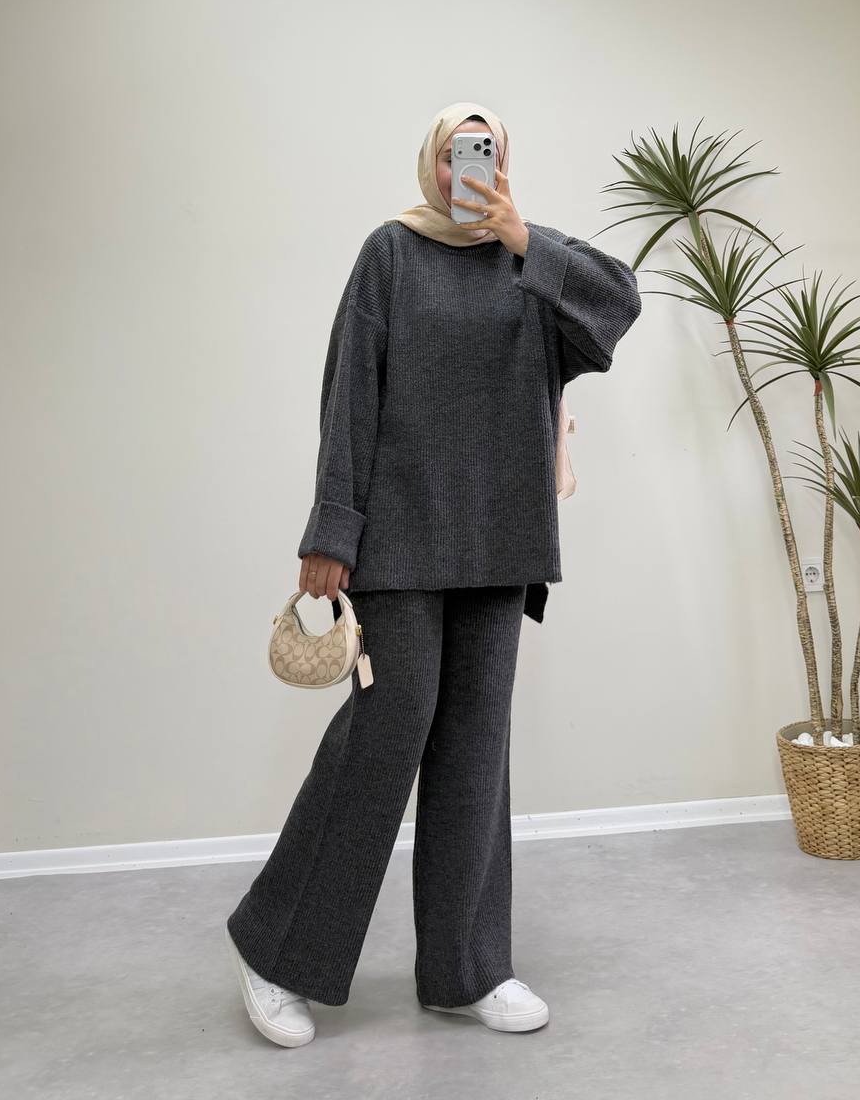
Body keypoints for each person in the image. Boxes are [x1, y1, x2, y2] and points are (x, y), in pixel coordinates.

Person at [225, 101, 643, 1048]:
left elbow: (619, 307)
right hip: (401, 540)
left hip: (502, 542)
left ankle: (467, 969)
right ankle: (275, 950)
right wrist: (333, 530)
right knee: (389, 732)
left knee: (476, 749)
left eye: (486, 151)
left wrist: (524, 237)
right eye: (458, 151)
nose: (470, 166)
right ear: (431, 162)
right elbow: (349, 395)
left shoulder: (534, 263)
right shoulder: (390, 254)